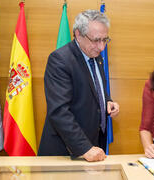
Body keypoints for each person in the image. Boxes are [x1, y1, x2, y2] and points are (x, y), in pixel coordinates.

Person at [38, 10, 119, 162]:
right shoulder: (60, 60)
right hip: (65, 151)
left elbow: (94, 89)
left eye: (105, 40)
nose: (102, 47)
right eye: (96, 40)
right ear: (78, 34)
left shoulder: (97, 57)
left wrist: (107, 101)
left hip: (92, 145)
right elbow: (59, 110)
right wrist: (84, 147)